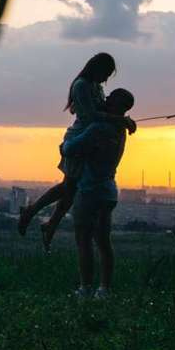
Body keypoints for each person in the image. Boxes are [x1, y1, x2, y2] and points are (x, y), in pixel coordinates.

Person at [17, 53, 136, 246]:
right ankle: (35, 213)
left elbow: (102, 112)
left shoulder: (95, 86)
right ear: (97, 68)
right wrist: (120, 120)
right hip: (80, 137)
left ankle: (48, 222)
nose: (106, 80)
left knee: (71, 187)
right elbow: (90, 116)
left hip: (88, 138)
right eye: (105, 74)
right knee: (69, 185)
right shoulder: (81, 85)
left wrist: (123, 120)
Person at [61, 88, 133, 299]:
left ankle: (85, 288)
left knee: (83, 241)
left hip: (89, 190)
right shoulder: (120, 131)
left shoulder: (99, 128)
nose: (107, 98)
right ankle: (105, 289)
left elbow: (69, 149)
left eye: (112, 97)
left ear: (118, 106)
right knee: (103, 242)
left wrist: (66, 140)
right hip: (108, 190)